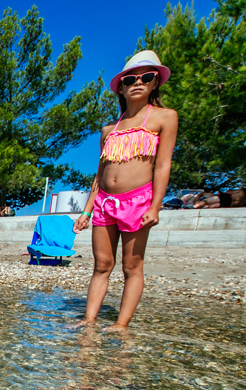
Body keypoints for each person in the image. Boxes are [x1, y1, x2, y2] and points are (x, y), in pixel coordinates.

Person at [72, 50, 178, 330]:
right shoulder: (109, 130)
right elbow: (100, 173)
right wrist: (87, 209)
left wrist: (156, 205)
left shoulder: (164, 118)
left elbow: (162, 164)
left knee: (131, 267)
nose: (138, 83)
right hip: (105, 201)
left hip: (138, 200)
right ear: (120, 86)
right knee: (102, 264)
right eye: (130, 79)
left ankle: (121, 324)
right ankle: (89, 319)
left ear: (156, 82)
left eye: (146, 77)